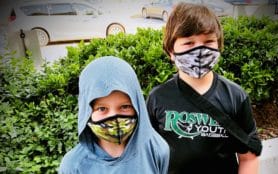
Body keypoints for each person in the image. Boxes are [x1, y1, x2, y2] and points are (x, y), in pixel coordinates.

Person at [146, 2, 262, 174]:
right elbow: (147, 154)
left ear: (219, 46)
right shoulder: (158, 97)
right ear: (171, 50)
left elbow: (249, 158)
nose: (200, 50)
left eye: (208, 41)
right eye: (189, 43)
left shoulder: (235, 96)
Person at [59, 56, 170, 174]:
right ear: (87, 112)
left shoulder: (156, 149)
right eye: (102, 108)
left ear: (138, 106)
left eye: (125, 107)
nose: (114, 117)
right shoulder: (73, 165)